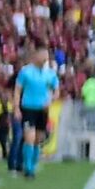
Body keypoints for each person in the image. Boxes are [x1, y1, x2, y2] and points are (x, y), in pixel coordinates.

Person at [14, 49, 60, 180]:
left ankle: (33, 165)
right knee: (29, 137)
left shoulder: (50, 73)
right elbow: (17, 90)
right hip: (28, 109)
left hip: (43, 111)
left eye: (47, 56)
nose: (45, 58)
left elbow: (57, 91)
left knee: (38, 139)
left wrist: (51, 100)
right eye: (43, 55)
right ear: (36, 56)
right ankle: (28, 169)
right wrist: (16, 108)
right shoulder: (25, 71)